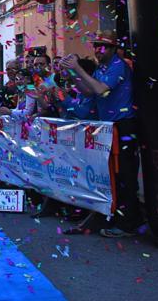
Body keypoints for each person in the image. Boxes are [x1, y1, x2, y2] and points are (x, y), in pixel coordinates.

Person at [61, 30, 141, 238]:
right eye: (96, 46)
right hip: (109, 127)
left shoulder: (118, 66)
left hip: (124, 126)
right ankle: (117, 216)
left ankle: (129, 223)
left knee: (125, 175)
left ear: (113, 49)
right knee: (112, 175)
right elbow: (88, 90)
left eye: (103, 46)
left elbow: (101, 90)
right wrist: (72, 74)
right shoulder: (101, 68)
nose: (98, 50)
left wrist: (78, 68)